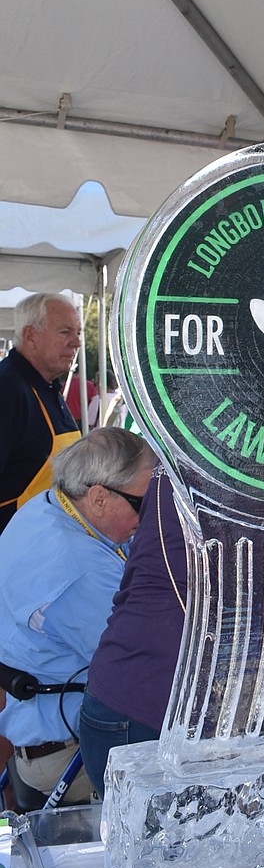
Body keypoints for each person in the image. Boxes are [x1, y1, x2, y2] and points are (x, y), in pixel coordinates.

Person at [0, 428, 157, 804]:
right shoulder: (78, 572)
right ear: (99, 497)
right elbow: (140, 664)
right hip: (68, 752)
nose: (151, 514)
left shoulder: (46, 506)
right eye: (144, 504)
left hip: (36, 723)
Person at [79, 470, 188, 796]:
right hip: (146, 709)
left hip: (119, 701)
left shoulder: (174, 464)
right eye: (136, 504)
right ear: (98, 498)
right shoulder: (85, 566)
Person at [0, 293, 82, 535]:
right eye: (65, 332)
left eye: (78, 333)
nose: (76, 343)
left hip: (46, 539)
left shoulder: (48, 386)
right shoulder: (7, 389)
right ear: (30, 336)